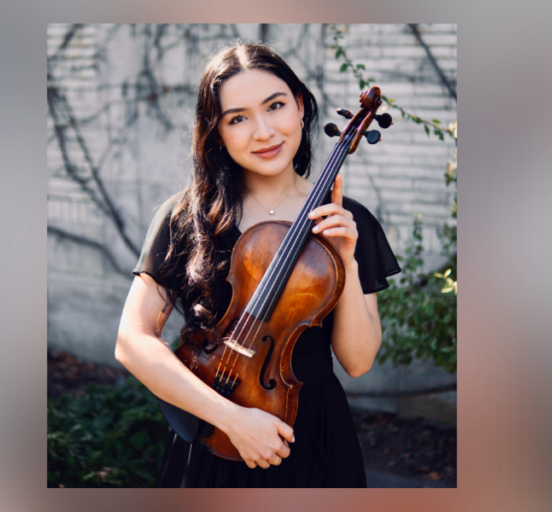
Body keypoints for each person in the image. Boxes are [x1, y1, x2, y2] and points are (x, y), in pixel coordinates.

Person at [115, 43, 401, 488]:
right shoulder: (187, 217)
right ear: (218, 134)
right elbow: (132, 341)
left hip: (312, 435)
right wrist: (233, 419)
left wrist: (344, 260)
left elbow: (359, 360)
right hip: (212, 429)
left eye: (276, 106)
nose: (264, 131)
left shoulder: (347, 221)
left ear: (301, 107)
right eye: (238, 118)